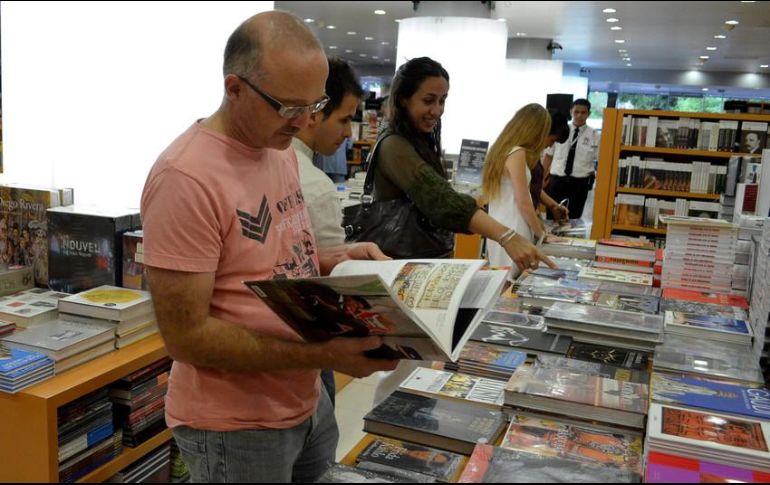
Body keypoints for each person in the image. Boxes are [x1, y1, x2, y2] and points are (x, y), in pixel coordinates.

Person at [140, 11, 399, 483]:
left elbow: (269, 262)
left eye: (313, 105)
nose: (303, 123)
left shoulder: (275, 149)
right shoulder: (185, 178)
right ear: (234, 88)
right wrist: (325, 357)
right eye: (288, 107)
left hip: (303, 400)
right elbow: (186, 336)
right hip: (237, 425)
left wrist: (335, 259)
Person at [364, 57, 554, 406]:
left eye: (443, 100)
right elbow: (440, 201)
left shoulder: (419, 141)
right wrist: (507, 235)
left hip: (424, 271)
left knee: (419, 363)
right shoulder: (393, 145)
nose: (437, 109)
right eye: (428, 100)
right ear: (403, 98)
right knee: (403, 368)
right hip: (404, 272)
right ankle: (387, 435)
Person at [481, 104, 555, 271]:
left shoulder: (499, 150)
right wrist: (542, 235)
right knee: (512, 281)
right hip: (515, 226)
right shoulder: (517, 153)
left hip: (499, 226)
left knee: (502, 277)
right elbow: (523, 202)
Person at [544, 98, 600, 219]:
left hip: (579, 183)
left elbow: (601, 160)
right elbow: (548, 155)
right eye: (576, 112)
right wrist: (542, 177)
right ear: (571, 112)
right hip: (557, 180)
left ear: (589, 114)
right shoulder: (561, 130)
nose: (579, 115)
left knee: (574, 217)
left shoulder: (595, 135)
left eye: (583, 112)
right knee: (553, 214)